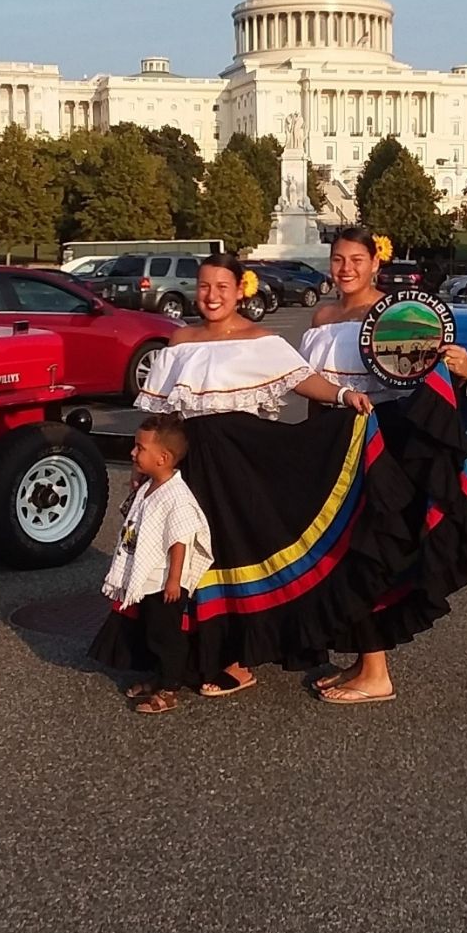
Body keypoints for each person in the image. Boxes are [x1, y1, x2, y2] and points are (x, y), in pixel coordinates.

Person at [133, 251, 372, 697]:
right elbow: (162, 417)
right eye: (204, 286)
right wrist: (144, 467)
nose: (211, 296)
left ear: (239, 290)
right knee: (176, 556)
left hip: (240, 464)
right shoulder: (180, 340)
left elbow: (302, 379)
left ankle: (236, 658)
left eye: (222, 287)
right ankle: (178, 656)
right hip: (185, 467)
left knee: (231, 553)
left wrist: (343, 396)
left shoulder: (260, 340)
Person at [298, 225, 467, 705]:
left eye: (356, 260)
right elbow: (313, 389)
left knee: (370, 548)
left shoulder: (401, 312)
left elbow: (435, 371)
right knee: (341, 548)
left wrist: (460, 367)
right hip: (332, 444)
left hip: (383, 441)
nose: (346, 269)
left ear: (375, 263)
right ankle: (362, 659)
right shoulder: (321, 316)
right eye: (339, 259)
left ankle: (376, 672)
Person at [89, 415, 213, 715]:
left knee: (164, 635)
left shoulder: (177, 496)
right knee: (148, 631)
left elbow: (180, 539)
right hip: (147, 581)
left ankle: (170, 687)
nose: (133, 453)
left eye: (139, 448)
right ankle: (156, 678)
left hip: (163, 583)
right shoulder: (150, 486)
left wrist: (174, 580)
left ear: (163, 457)